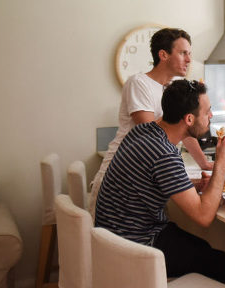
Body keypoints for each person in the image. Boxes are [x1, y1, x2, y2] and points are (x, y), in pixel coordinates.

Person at [95, 79, 225, 283]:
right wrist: (222, 162)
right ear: (189, 119)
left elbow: (153, 181)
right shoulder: (164, 154)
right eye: (207, 112)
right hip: (136, 246)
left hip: (113, 239)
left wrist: (193, 186)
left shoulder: (142, 132)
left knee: (202, 248)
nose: (211, 116)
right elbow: (204, 217)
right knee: (223, 264)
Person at [89, 28, 213, 215]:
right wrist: (187, 106)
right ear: (163, 55)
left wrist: (204, 164)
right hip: (119, 181)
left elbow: (184, 128)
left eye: (189, 53)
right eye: (183, 53)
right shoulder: (139, 83)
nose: (189, 59)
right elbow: (153, 134)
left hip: (143, 179)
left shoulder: (171, 89)